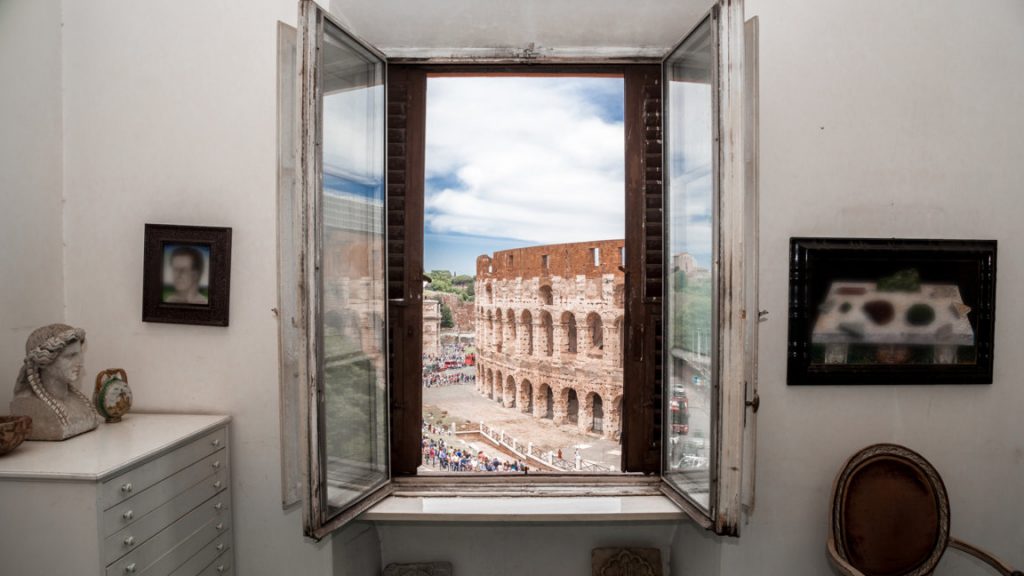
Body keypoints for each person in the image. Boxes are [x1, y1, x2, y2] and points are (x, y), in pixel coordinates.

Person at [10, 324, 101, 440]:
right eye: (70, 356)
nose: (80, 363)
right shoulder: (27, 404)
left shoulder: (79, 402)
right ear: (44, 361)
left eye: (79, 354)